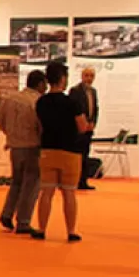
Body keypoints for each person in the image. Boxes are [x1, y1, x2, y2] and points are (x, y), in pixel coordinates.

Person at [33, 62, 88, 242]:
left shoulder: (41, 102)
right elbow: (82, 127)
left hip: (48, 150)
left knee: (46, 192)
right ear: (63, 79)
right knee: (69, 193)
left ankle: (41, 229)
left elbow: (39, 126)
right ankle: (71, 231)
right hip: (70, 151)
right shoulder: (72, 102)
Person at [0, 70, 47, 234]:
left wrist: (10, 133)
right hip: (32, 146)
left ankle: (7, 213)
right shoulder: (38, 102)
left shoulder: (10, 98)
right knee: (31, 184)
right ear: (40, 84)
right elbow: (41, 126)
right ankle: (23, 221)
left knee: (17, 181)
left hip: (15, 146)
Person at [68, 67, 99, 190]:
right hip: (77, 130)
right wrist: (81, 123)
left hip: (89, 129)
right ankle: (74, 181)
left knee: (85, 155)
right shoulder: (75, 91)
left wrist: (93, 122)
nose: (89, 78)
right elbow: (72, 109)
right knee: (77, 156)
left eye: (91, 76)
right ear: (82, 76)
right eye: (87, 75)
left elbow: (95, 109)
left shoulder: (93, 91)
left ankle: (83, 182)